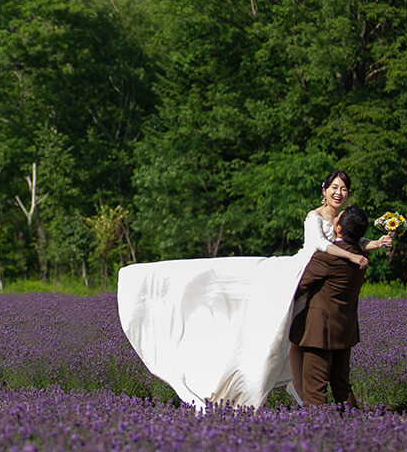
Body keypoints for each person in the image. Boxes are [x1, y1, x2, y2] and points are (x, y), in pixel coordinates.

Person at [116, 169, 389, 410]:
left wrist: (374, 243)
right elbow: (323, 244)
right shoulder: (315, 218)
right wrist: (353, 256)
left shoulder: (344, 225)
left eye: (343, 188)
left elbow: (351, 241)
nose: (339, 192)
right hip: (304, 269)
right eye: (334, 188)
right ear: (324, 190)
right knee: (241, 284)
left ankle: (316, 411)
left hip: (320, 277)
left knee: (299, 348)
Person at [289, 205, 370, 408]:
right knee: (341, 386)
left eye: (338, 218)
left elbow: (298, 286)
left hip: (320, 332)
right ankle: (355, 427)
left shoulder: (327, 258)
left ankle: (317, 432)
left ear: (339, 229)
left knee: (315, 388)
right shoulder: (359, 255)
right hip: (344, 329)